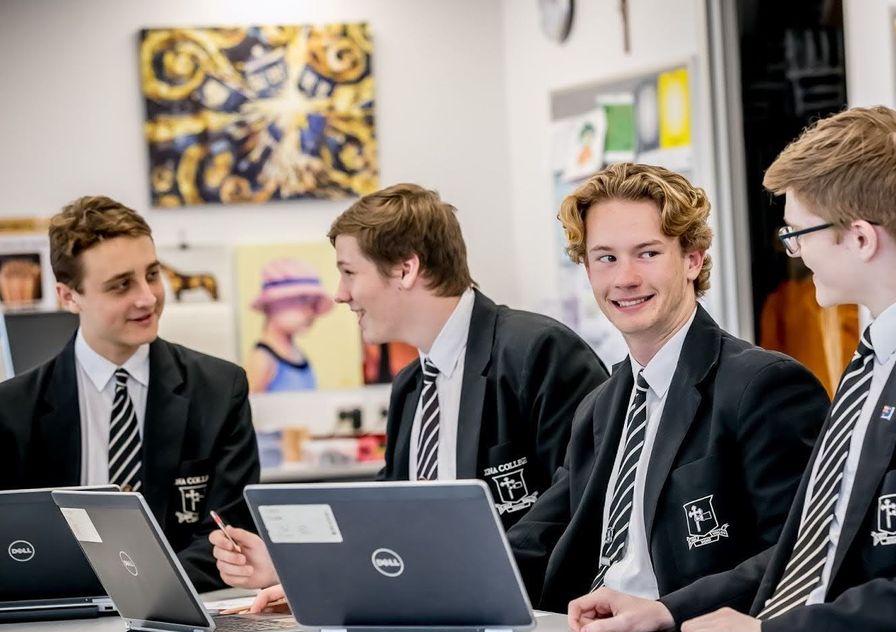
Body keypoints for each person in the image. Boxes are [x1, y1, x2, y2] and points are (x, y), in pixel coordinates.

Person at [565, 107, 896, 632]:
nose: (793, 252)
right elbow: (815, 545)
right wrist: (667, 610)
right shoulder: (880, 357)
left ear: (861, 238)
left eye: (798, 233)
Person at [211, 183, 609, 599]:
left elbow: (576, 503)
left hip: (536, 612)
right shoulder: (411, 387)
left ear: (405, 270)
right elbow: (388, 528)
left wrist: (453, 583)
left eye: (349, 272)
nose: (340, 294)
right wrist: (295, 570)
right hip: (439, 612)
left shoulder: (538, 352)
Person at [507, 163, 829, 611]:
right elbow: (538, 536)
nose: (624, 279)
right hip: (595, 631)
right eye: (606, 258)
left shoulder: (764, 386)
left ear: (692, 259)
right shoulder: (600, 406)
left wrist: (664, 613)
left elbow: (800, 554)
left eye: (647, 254)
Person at [0, 195, 260, 591]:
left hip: (181, 610)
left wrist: (137, 591)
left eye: (152, 274)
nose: (148, 297)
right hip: (57, 610)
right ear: (69, 296)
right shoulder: (13, 410)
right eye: (121, 285)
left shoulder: (220, 391)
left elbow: (227, 536)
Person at [245, 257, 333, 392]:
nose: (310, 311)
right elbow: (249, 404)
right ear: (271, 303)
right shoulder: (262, 359)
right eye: (301, 300)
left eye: (313, 303)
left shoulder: (296, 353)